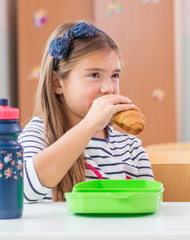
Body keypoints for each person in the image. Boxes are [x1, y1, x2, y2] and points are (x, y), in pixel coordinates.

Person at [18, 21, 153, 202]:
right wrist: (89, 125)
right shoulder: (39, 134)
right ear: (57, 83)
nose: (108, 88)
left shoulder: (131, 148)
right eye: (94, 75)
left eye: (114, 75)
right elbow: (20, 191)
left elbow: (148, 208)